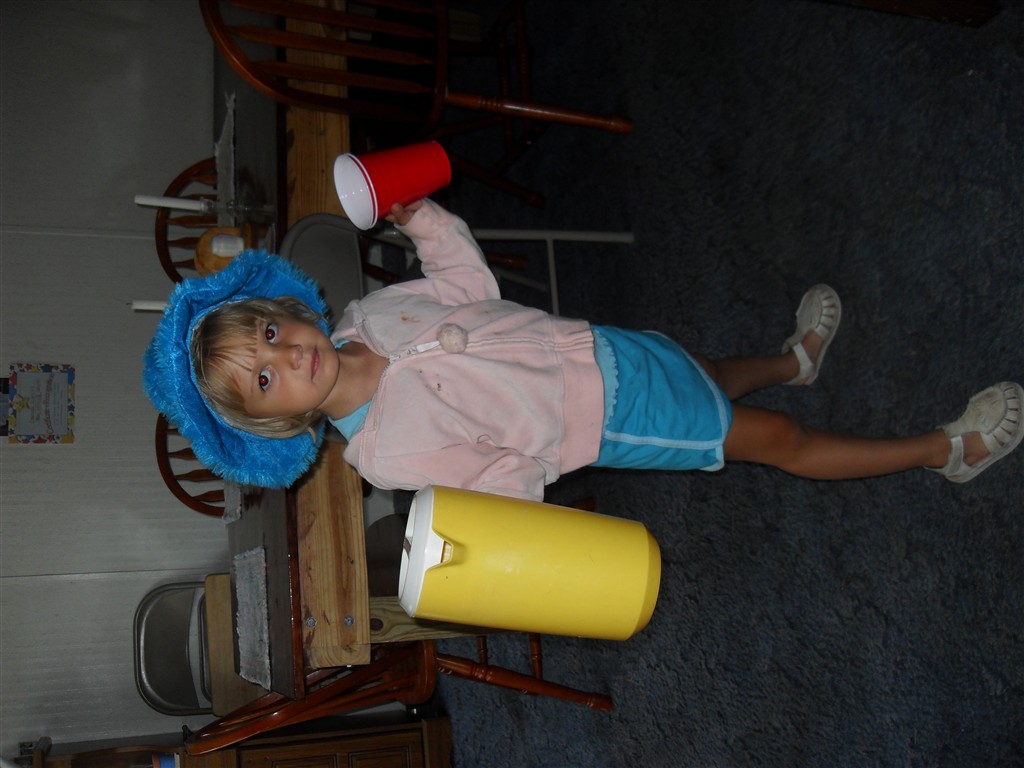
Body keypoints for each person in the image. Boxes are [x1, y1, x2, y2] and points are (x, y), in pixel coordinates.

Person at [143, 199, 1022, 500]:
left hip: (595, 346)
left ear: (283, 310)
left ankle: (794, 364)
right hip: (608, 415)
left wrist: (424, 222)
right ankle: (943, 451)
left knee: (701, 370)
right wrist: (543, 454)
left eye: (268, 334)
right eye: (265, 380)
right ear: (275, 424)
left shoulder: (366, 317)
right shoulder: (383, 453)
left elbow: (467, 286)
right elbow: (501, 484)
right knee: (770, 440)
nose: (288, 357)